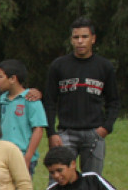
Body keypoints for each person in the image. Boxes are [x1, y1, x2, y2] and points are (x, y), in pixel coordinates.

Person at [44, 17, 121, 174]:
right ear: (71, 39)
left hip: (94, 133)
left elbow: (114, 101)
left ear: (93, 39)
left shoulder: (104, 66)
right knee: (59, 180)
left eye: (84, 37)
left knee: (91, 183)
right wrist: (51, 133)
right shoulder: (59, 66)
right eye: (76, 37)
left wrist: (106, 128)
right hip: (65, 134)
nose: (80, 41)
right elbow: (49, 102)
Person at [0, 59, 47, 190]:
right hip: (5, 157)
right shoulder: (3, 100)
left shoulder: (31, 100)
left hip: (23, 158)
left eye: (0, 76)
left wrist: (27, 156)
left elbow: (38, 129)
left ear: (13, 78)